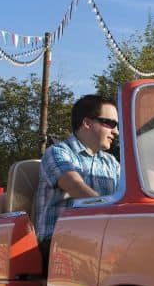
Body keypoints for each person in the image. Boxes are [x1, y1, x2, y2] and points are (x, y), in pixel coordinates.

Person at [35, 94, 120, 267]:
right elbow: (76, 187)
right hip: (57, 242)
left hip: (100, 239)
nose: (116, 132)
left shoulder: (111, 162)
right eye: (110, 123)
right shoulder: (58, 153)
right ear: (87, 123)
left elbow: (126, 198)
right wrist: (112, 213)